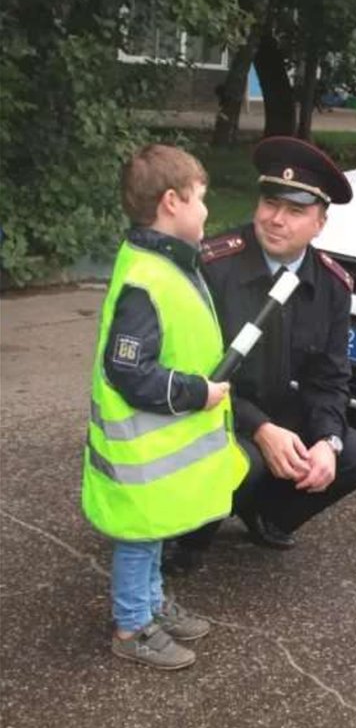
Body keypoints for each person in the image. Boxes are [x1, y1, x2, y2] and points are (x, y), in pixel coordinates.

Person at [169, 137, 356, 569]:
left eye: (296, 211)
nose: (276, 220)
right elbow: (193, 372)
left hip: (277, 409)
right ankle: (184, 538)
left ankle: (265, 514)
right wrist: (260, 427)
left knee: (355, 455)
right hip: (211, 414)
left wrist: (327, 441)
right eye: (270, 203)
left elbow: (330, 379)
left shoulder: (332, 286)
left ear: (320, 223)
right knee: (248, 461)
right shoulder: (213, 267)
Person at [81, 144, 249, 670]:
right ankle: (132, 627)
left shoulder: (166, 262)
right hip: (139, 454)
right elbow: (129, 370)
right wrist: (198, 392)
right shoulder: (145, 279)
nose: (207, 210)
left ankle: (152, 605)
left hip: (159, 450)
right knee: (138, 538)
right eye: (201, 198)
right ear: (172, 202)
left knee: (154, 531)